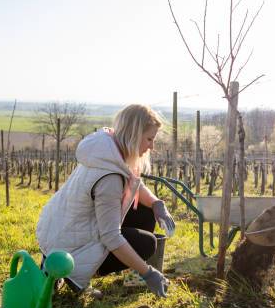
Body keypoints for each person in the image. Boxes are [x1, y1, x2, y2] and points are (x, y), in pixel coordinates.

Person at [36, 104, 174, 298]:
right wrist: (149, 273)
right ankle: (71, 273)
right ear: (134, 136)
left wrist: (156, 203)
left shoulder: (107, 149)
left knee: (146, 211)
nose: (152, 146)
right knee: (146, 244)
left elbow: (134, 184)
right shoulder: (109, 178)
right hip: (70, 244)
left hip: (61, 230)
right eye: (149, 139)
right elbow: (111, 237)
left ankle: (129, 277)